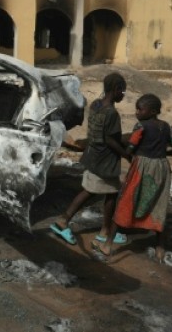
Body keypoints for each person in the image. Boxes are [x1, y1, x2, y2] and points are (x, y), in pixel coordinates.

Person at [100, 93, 172, 263]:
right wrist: (163, 153)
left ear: (152, 111)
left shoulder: (140, 126)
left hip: (142, 167)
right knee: (158, 204)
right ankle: (160, 248)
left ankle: (108, 244)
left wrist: (124, 149)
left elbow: (130, 148)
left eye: (140, 109)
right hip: (161, 167)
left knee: (126, 201)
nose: (137, 112)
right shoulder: (166, 126)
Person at [51, 72, 129, 247]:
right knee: (105, 193)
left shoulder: (96, 105)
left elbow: (101, 133)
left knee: (94, 191)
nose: (123, 95)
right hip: (105, 160)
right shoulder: (111, 114)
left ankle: (70, 222)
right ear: (116, 89)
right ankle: (101, 230)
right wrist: (127, 154)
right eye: (122, 92)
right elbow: (110, 139)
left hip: (92, 155)